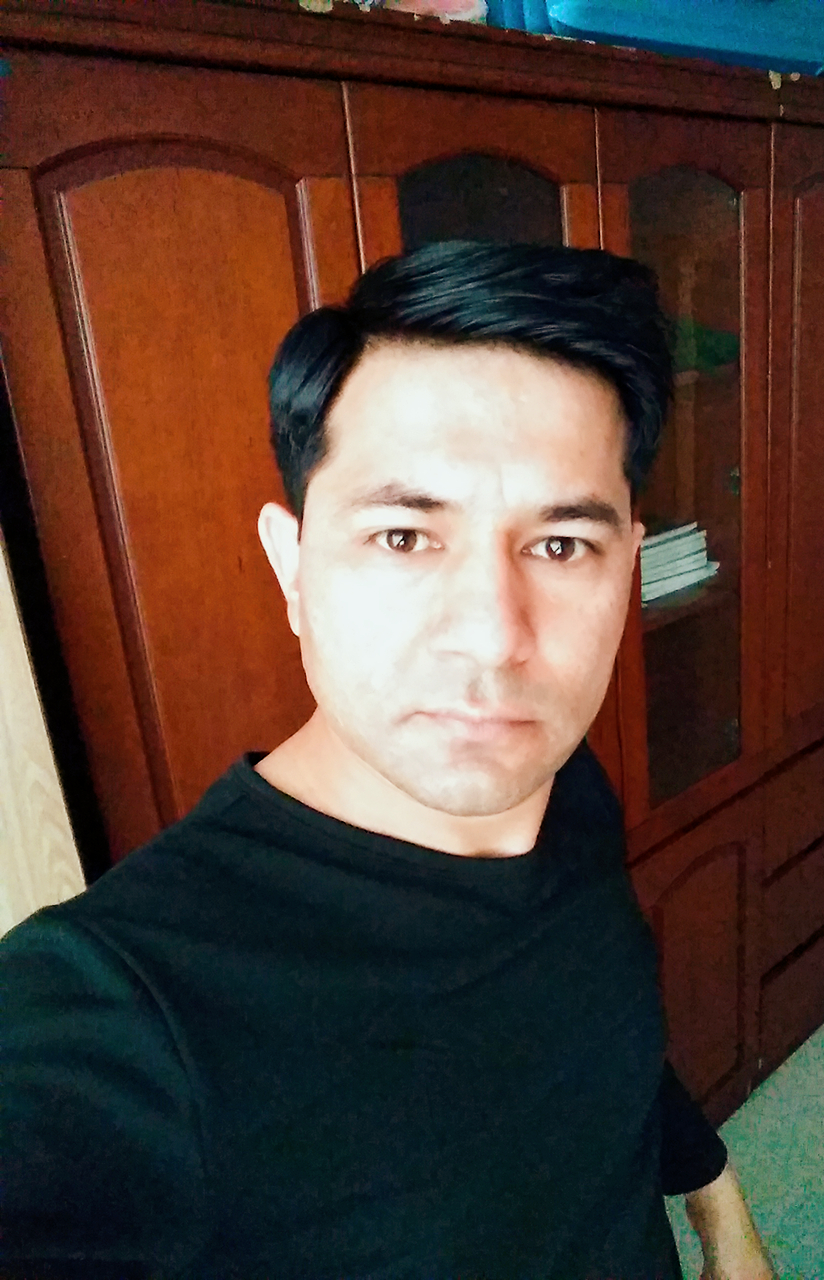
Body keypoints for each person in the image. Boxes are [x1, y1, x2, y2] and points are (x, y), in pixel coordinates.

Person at [1, 242, 775, 1279]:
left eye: (560, 546)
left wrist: (722, 1210)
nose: (493, 637)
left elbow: (594, 1025)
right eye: (405, 536)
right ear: (292, 567)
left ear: (626, 568)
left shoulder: (559, 784)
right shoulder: (113, 1018)